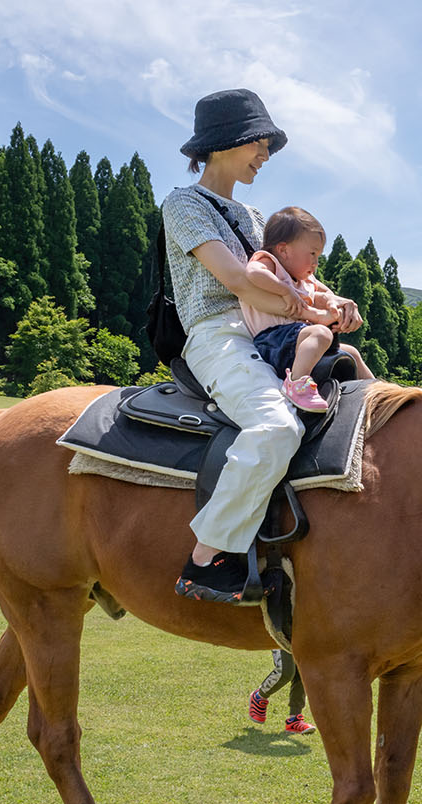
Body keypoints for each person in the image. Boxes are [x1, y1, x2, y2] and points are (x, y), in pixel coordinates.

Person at [160, 89, 362, 604]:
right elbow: (237, 280)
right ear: (227, 142)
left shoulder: (252, 215)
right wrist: (311, 313)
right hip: (218, 333)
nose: (266, 156)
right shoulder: (184, 203)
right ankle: (207, 558)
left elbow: (289, 274)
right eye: (261, 144)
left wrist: (336, 302)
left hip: (271, 334)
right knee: (275, 427)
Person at [241, 206, 376, 413]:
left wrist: (332, 303)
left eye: (319, 256)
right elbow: (253, 273)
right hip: (271, 341)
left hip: (297, 340)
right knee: (321, 333)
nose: (316, 262)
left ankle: (378, 393)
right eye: (312, 254)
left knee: (351, 353)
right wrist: (284, 290)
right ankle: (296, 384)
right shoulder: (271, 263)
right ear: (284, 250)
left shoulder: (304, 279)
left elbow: (324, 294)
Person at [247, 649, 316, 734]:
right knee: (285, 671)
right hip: (280, 636)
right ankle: (259, 696)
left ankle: (294, 720)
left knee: (302, 670)